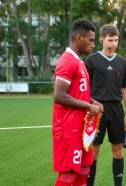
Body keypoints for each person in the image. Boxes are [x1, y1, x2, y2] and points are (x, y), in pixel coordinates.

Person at [52, 18, 104, 186]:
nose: (93, 44)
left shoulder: (79, 62)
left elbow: (78, 93)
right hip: (68, 129)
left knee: (83, 170)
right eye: (90, 40)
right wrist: (88, 106)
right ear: (79, 38)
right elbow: (59, 95)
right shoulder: (67, 60)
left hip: (81, 129)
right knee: (68, 175)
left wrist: (93, 102)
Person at [85, 24, 126, 186]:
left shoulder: (122, 62)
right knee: (93, 153)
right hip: (95, 111)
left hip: (116, 110)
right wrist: (88, 108)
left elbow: (125, 89)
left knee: (118, 151)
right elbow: (84, 87)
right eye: (110, 40)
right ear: (101, 40)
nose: (113, 43)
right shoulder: (91, 60)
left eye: (116, 40)